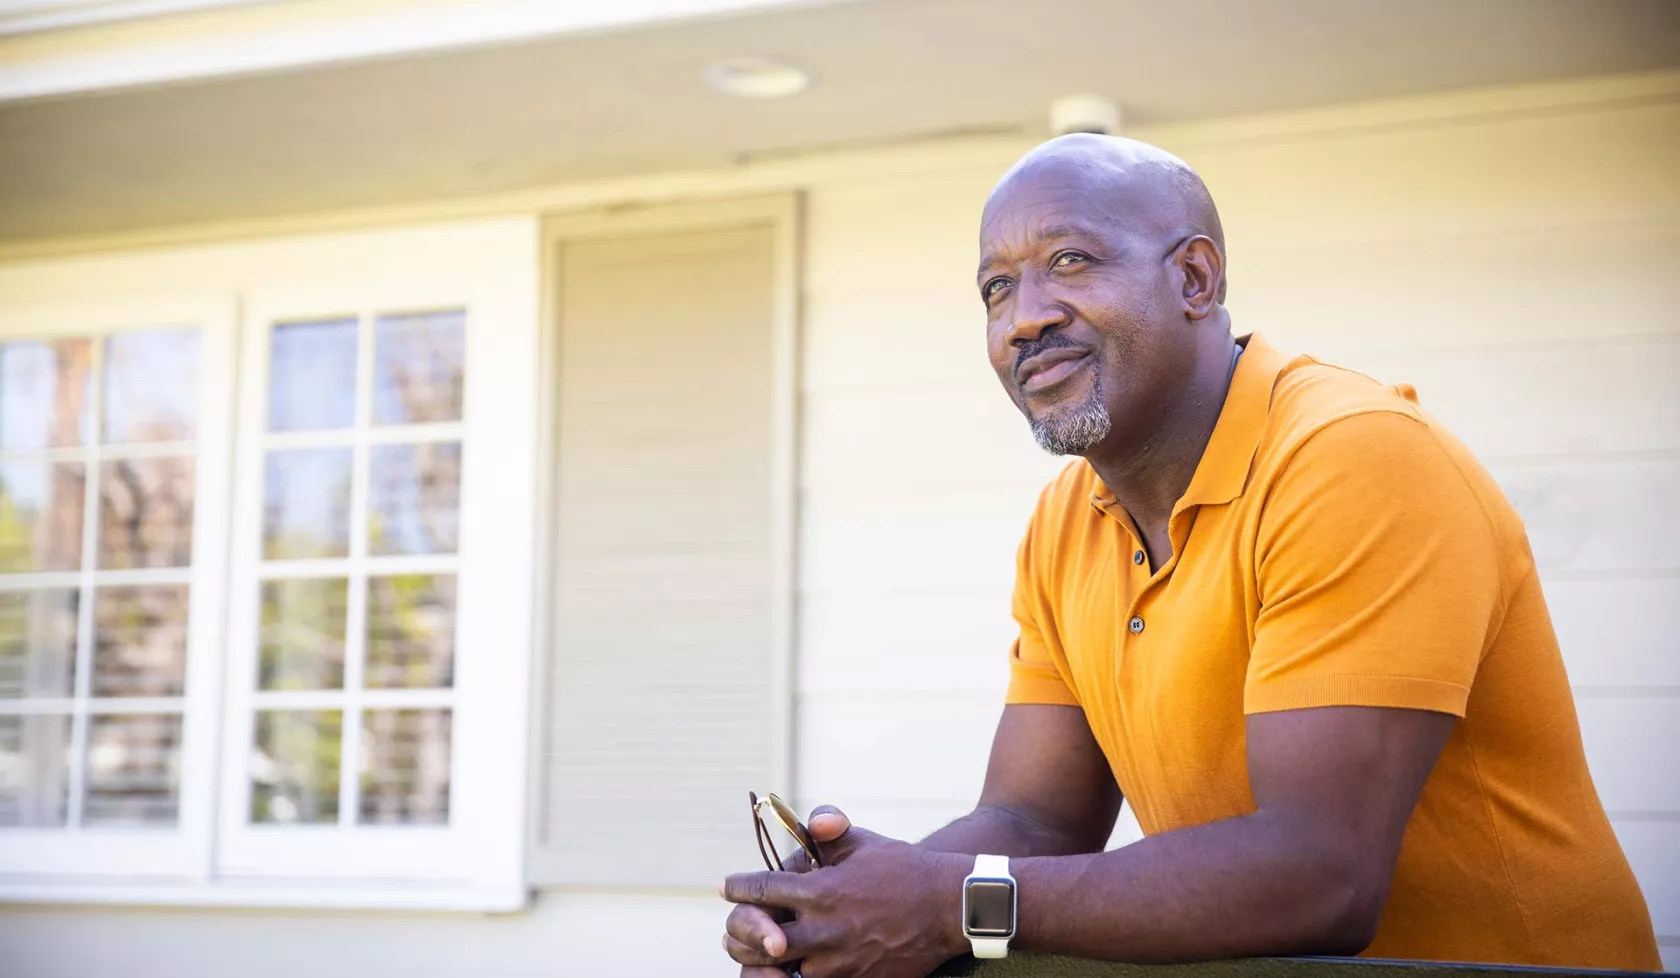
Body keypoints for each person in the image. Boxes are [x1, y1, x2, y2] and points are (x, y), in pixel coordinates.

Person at [720, 134, 1662, 977]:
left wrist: (947, 906)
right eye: (996, 288)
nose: (1023, 318)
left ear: (1196, 280)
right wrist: (860, 905)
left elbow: (1320, 874)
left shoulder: (1353, 457)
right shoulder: (1066, 522)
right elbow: (1035, 823)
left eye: (1070, 261)